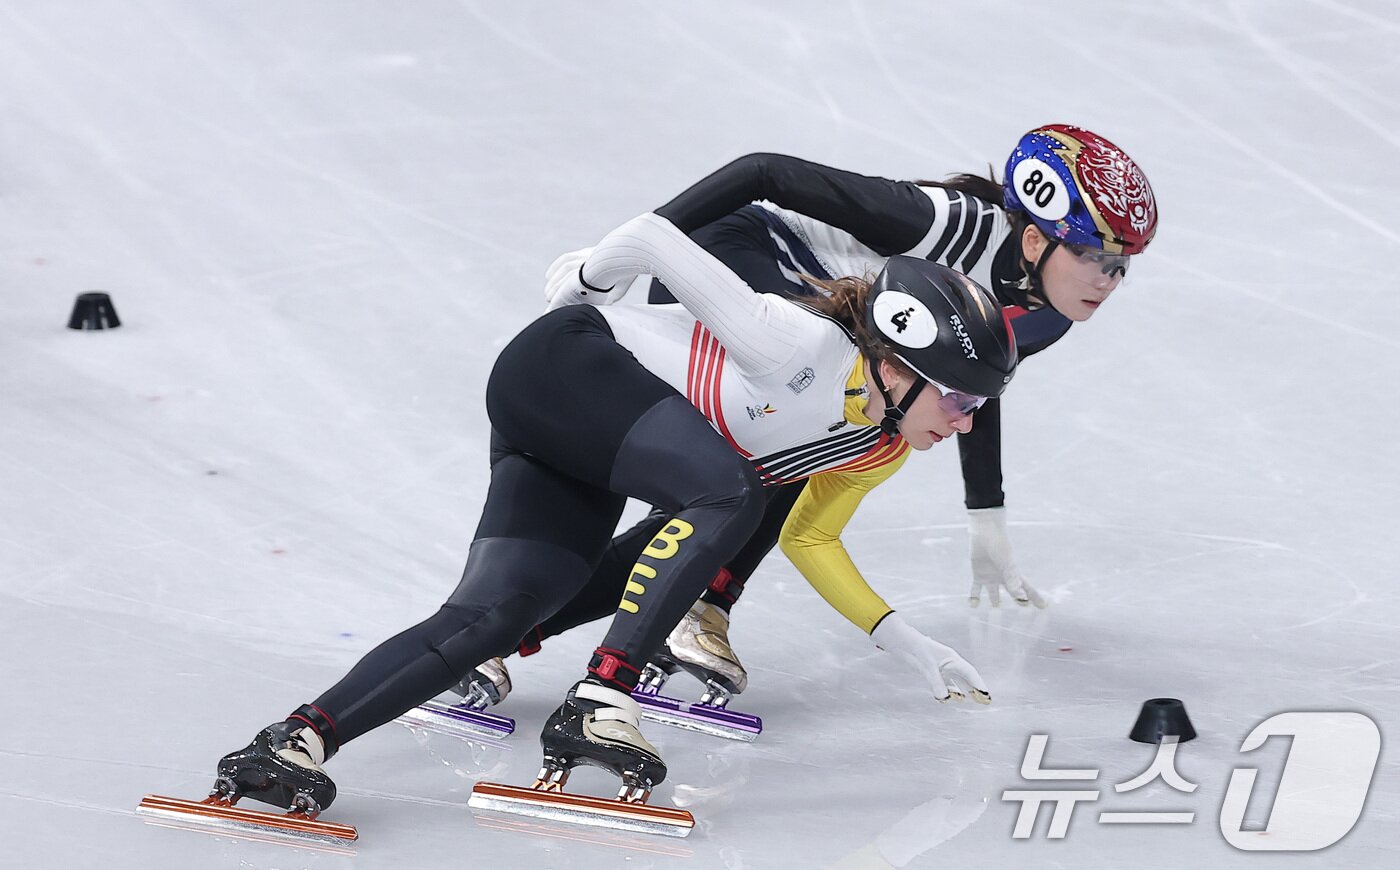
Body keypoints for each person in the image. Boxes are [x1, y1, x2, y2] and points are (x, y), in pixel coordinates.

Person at [208, 205, 1018, 818]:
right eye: (955, 395)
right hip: (561, 363)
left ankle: (297, 738)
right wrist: (588, 282)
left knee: (499, 612)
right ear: (893, 365)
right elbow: (653, 238)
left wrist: (911, 645)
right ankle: (604, 695)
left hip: (582, 431)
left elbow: (783, 536)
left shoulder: (870, 439)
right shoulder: (794, 346)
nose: (966, 419)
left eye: (977, 401)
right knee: (730, 492)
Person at [512, 124, 1157, 702]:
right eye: (1096, 258)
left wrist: (985, 515)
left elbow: (966, 390)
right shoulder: (944, 223)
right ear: (1036, 237)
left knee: (813, 454)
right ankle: (662, 604)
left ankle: (651, 606)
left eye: (1122, 265)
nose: (1109, 281)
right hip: (748, 262)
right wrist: (612, 257)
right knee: (765, 462)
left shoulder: (1049, 312)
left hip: (840, 334)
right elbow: (763, 171)